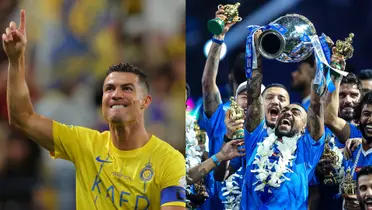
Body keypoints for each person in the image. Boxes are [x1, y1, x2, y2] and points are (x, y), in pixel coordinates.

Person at [2, 10, 185, 210]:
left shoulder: (168, 160)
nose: (116, 94)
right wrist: (15, 60)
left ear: (146, 101)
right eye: (109, 88)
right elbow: (22, 117)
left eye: (127, 89)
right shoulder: (85, 144)